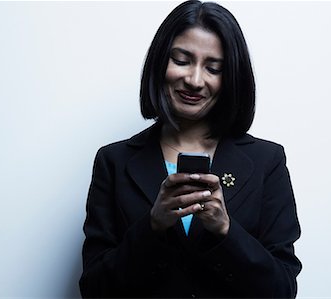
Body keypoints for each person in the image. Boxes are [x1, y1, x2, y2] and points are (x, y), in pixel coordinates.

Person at [79, 1, 302, 298]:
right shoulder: (114, 161)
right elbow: (94, 290)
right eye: (182, 60)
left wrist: (226, 230)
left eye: (213, 68)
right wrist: (153, 225)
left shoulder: (266, 162)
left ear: (231, 77)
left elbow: (282, 291)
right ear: (161, 63)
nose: (195, 81)